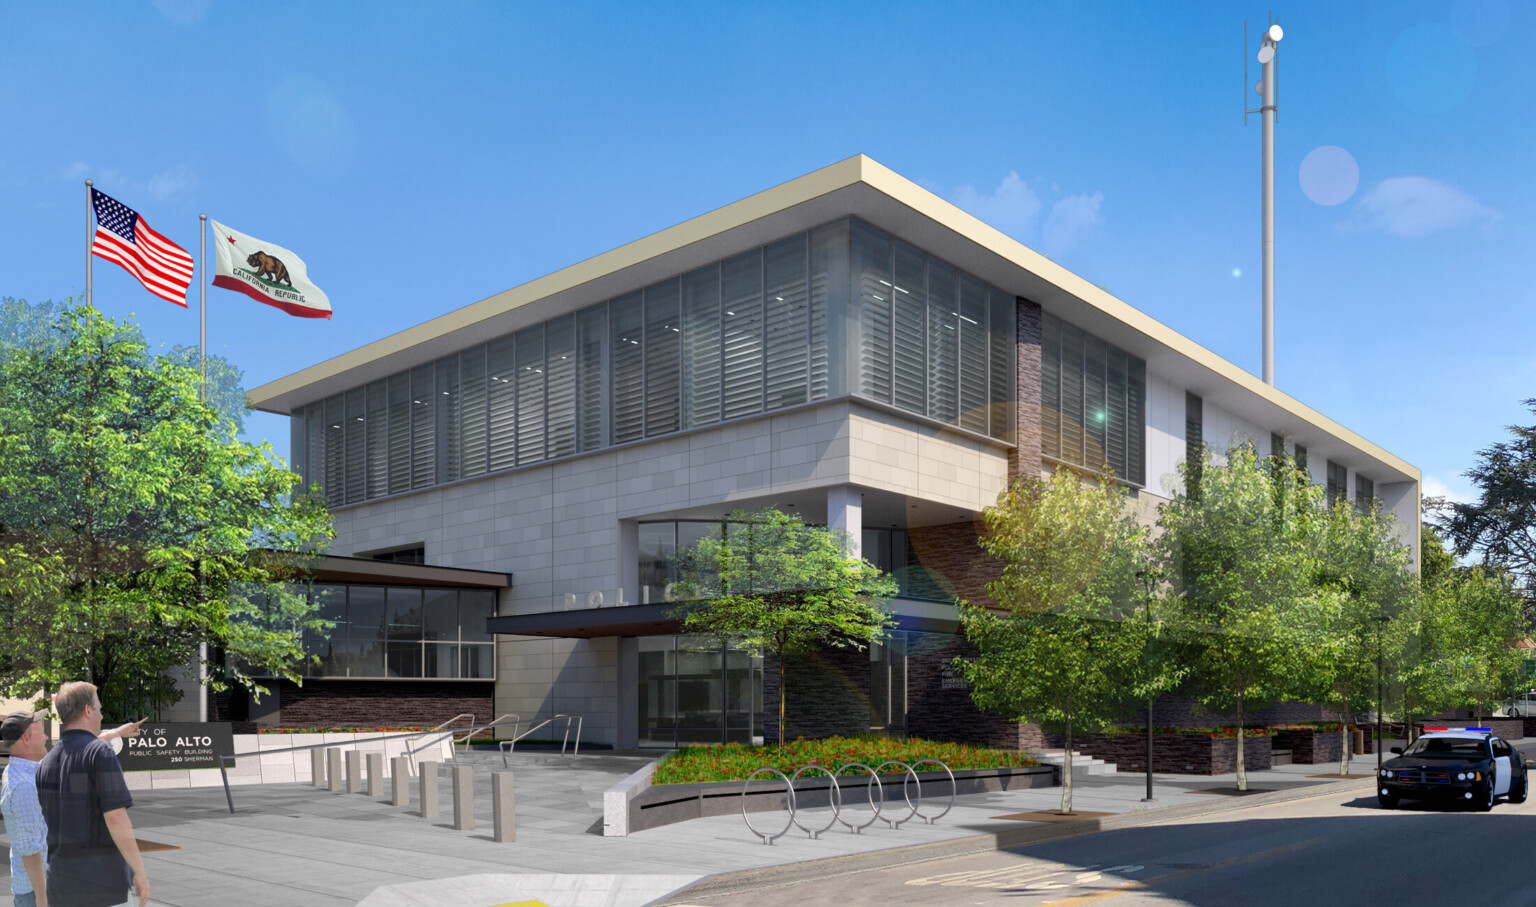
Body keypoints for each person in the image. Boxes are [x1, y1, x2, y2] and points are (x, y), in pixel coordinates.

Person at [36, 683, 150, 907]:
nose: (102, 713)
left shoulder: (45, 763)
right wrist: (140, 872)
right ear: (88, 711)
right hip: (100, 887)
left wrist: (117, 733)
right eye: (99, 708)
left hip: (59, 883)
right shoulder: (101, 753)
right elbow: (115, 817)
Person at [2, 709, 51, 907]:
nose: (47, 737)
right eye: (42, 732)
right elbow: (30, 849)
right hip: (35, 893)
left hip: (33, 889)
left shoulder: (22, 771)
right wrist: (42, 898)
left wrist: (115, 734)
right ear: (26, 738)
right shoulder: (24, 785)